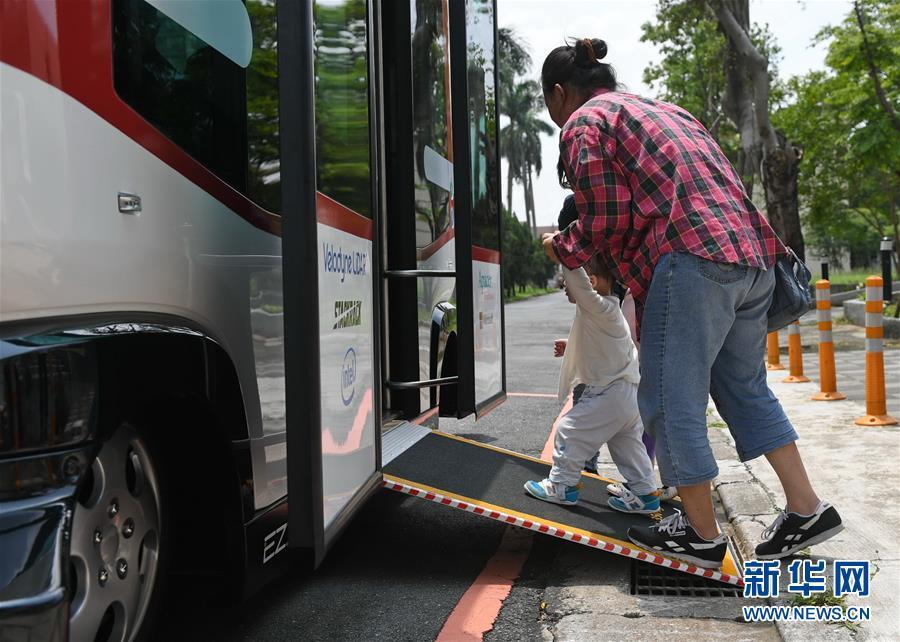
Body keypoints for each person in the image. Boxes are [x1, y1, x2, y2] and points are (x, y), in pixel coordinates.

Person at [539, 38, 842, 568]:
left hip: (692, 260)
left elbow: (606, 217)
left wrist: (562, 248)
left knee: (668, 400)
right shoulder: (666, 110)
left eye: (550, 104)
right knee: (744, 389)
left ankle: (700, 535)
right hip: (751, 259)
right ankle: (806, 507)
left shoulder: (585, 124)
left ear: (561, 93)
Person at [524, 254, 660, 515]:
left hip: (609, 393)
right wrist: (571, 345)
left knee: (569, 430)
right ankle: (645, 493)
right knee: (627, 446)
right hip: (629, 394)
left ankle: (562, 486)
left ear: (592, 282)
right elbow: (607, 347)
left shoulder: (598, 307)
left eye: (566, 282)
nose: (565, 286)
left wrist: (564, 250)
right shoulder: (611, 309)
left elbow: (579, 284)